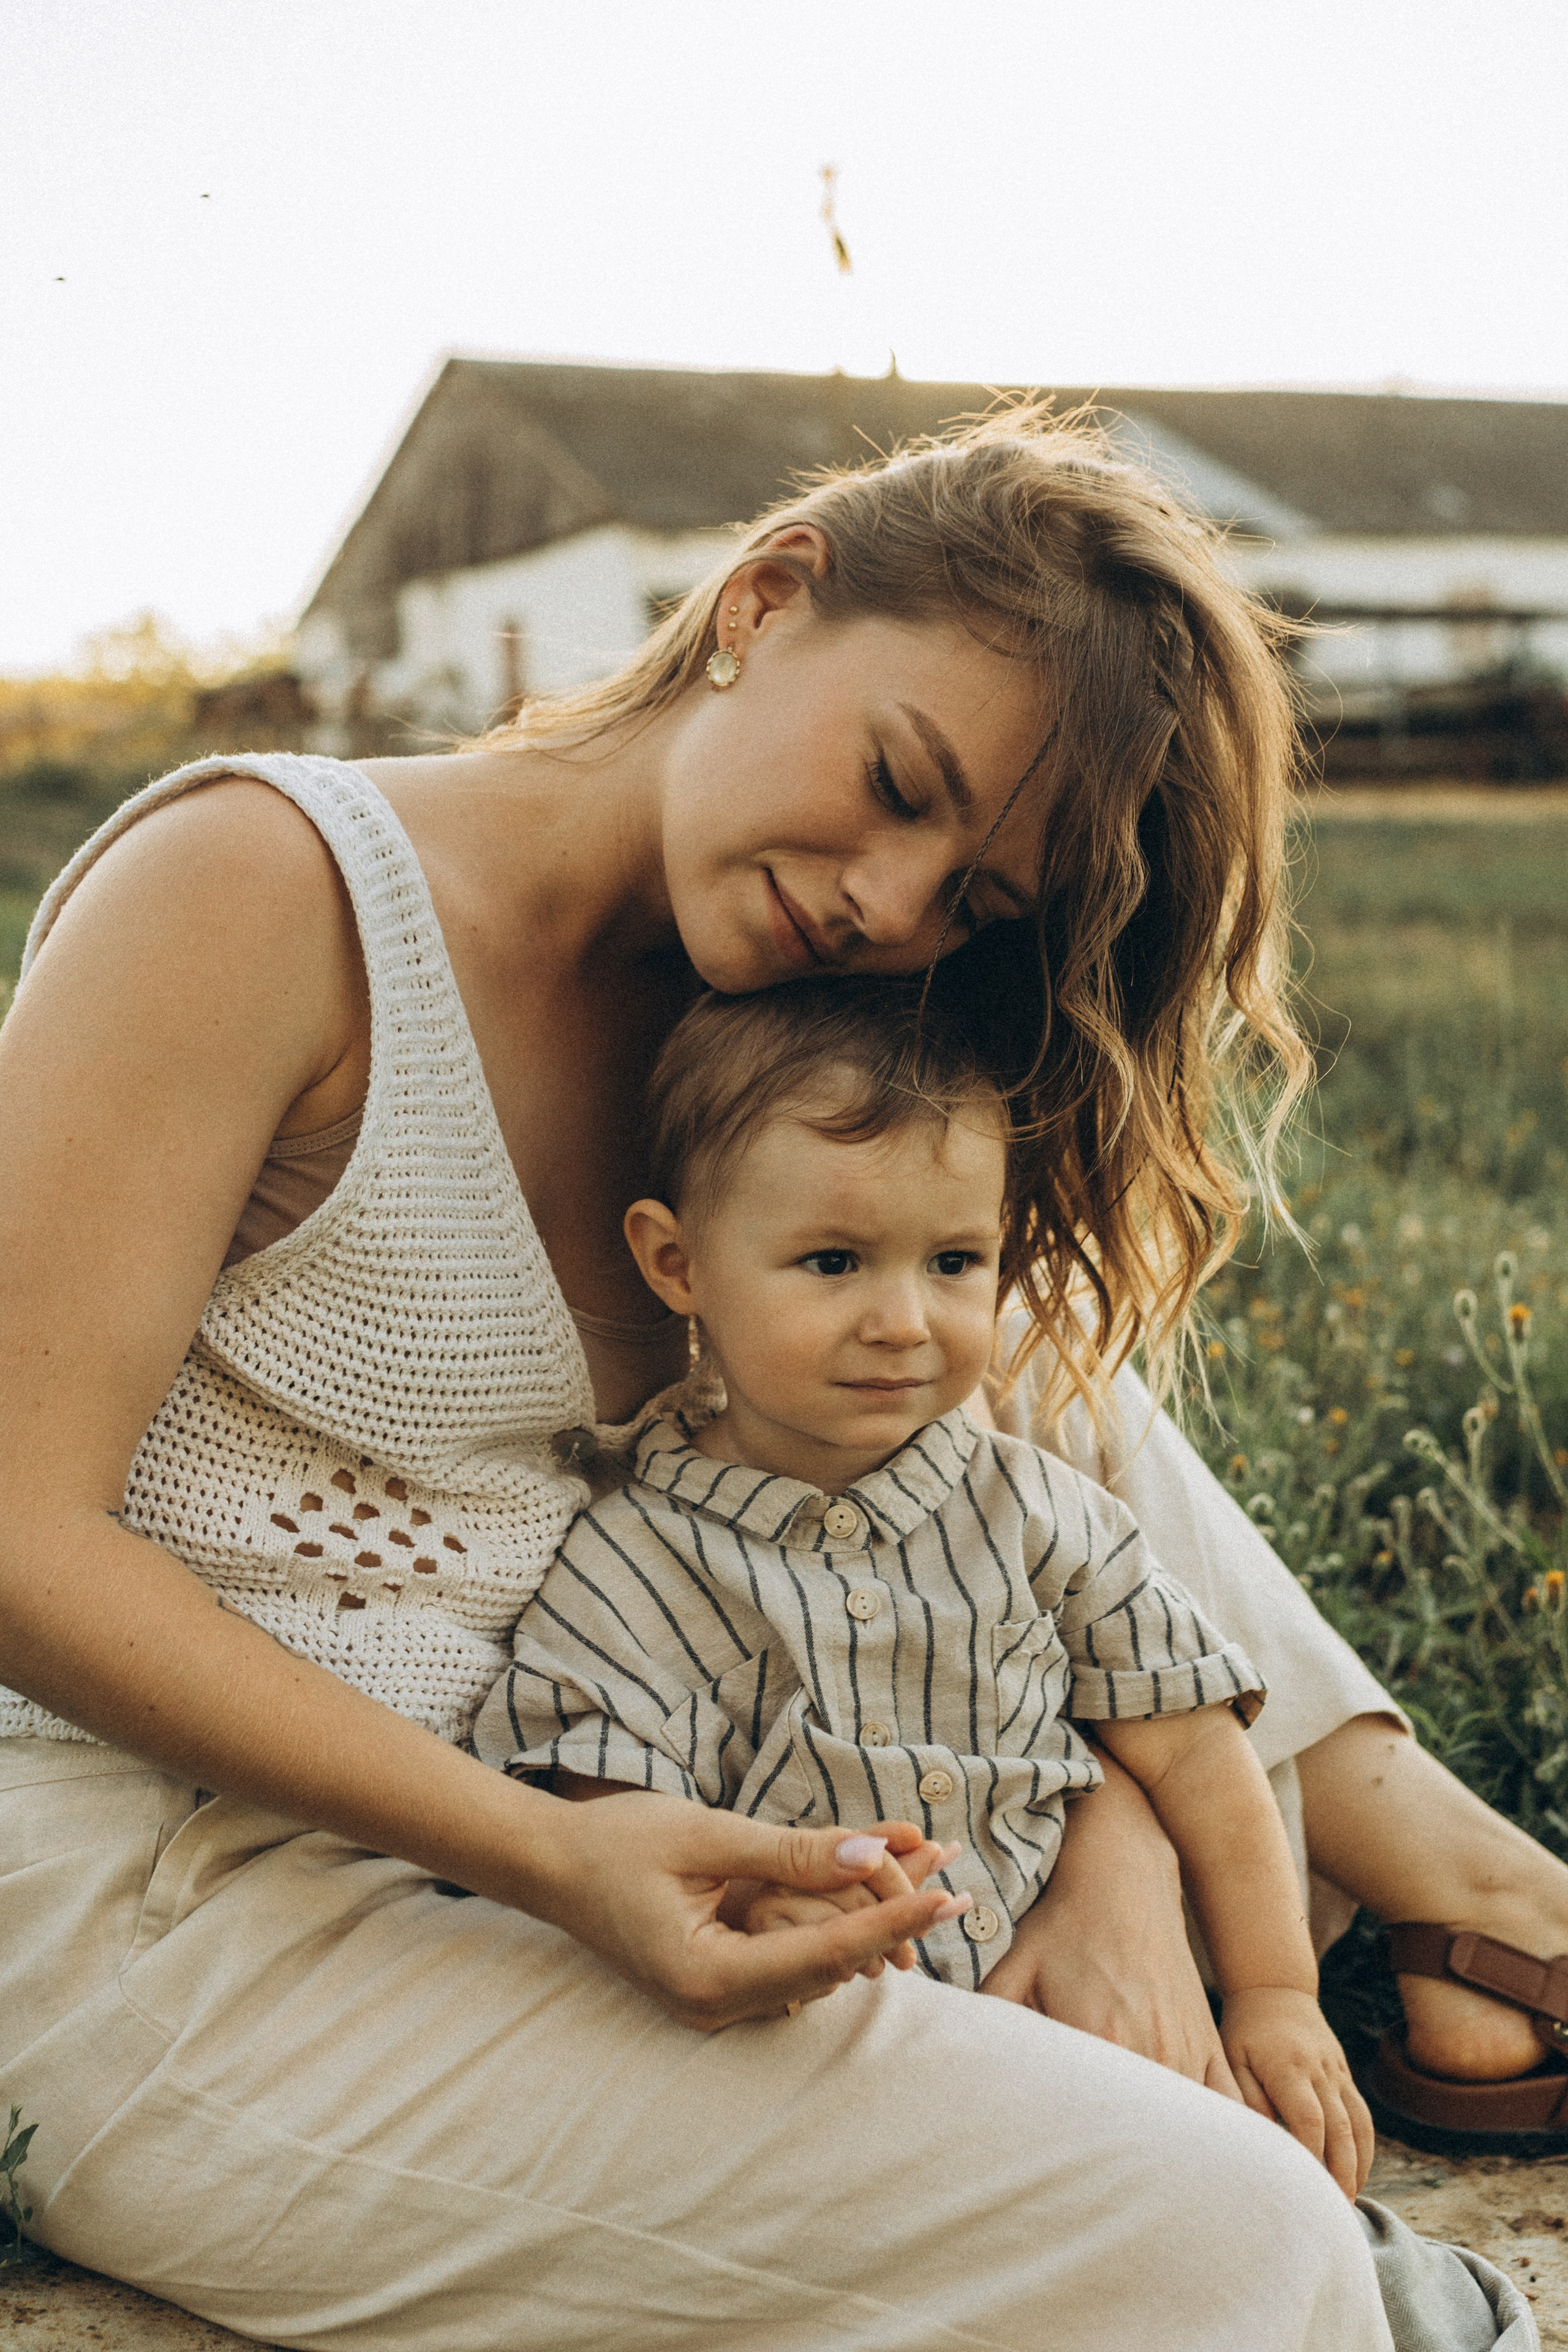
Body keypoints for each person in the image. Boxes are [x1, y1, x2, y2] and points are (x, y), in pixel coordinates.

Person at [0, 400, 1556, 2349]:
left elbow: (982, 1492)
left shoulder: (778, 1008)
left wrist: (1110, 1848)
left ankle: (1437, 1876)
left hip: (635, 1804)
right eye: (899, 781)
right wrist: (551, 1854)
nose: (894, 904)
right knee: (1230, 2246)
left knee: (958, 1316)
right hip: (189, 1902)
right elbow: (7, 1534)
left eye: (977, 899)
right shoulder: (264, 891)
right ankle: (1428, 1965)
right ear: (762, 599)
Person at [481, 976, 1376, 2198]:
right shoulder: (637, 1560)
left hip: (1072, 2017)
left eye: (954, 1259)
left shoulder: (1041, 1515)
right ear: (676, 1262)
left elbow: (1198, 1758)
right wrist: (749, 1898)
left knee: (1228, 2205)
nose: (903, 1320)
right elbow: (615, 1823)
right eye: (833, 1260)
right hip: (804, 2061)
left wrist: (1273, 1991)